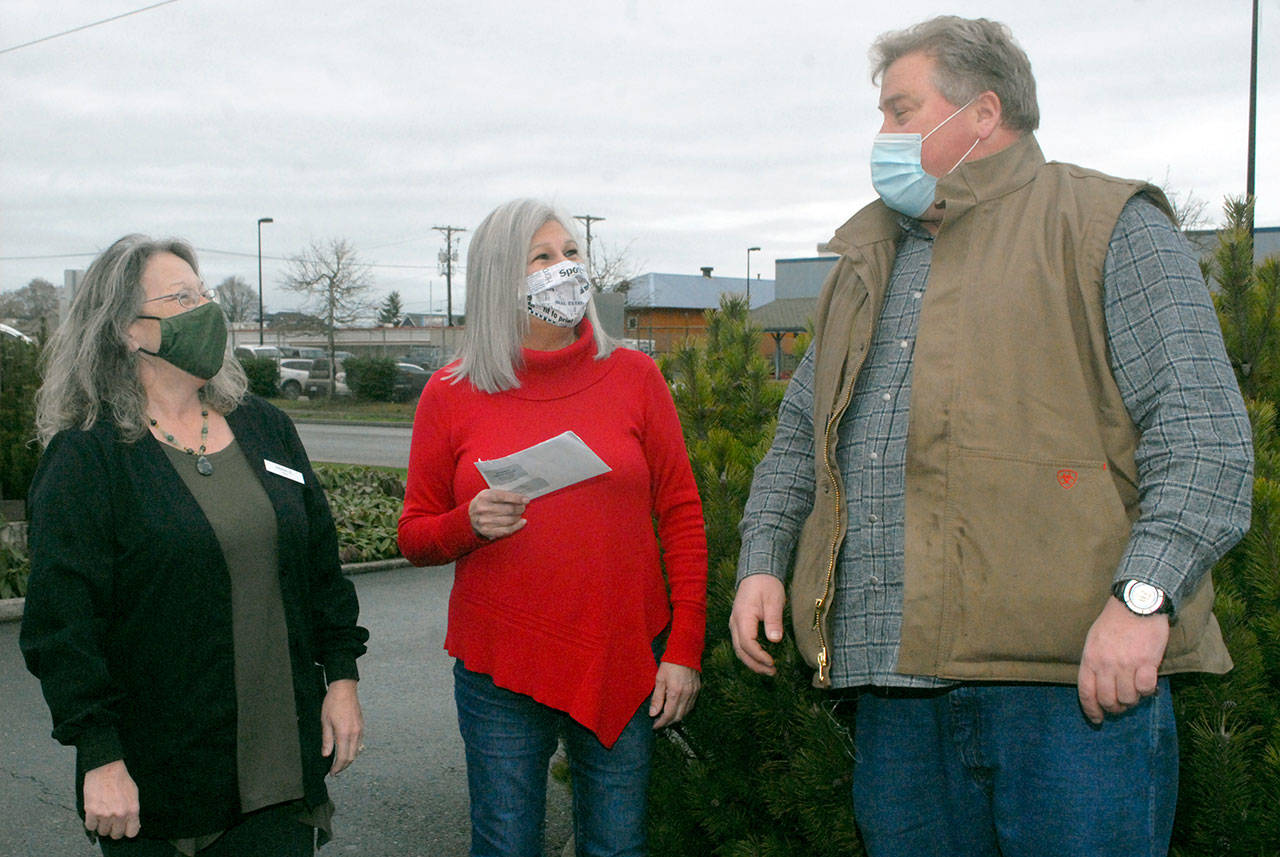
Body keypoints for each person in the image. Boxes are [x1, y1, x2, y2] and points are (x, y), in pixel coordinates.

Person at [730, 16, 1252, 857]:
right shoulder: (866, 261)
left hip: (1072, 693)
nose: (882, 135)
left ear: (980, 112)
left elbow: (1205, 437)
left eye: (902, 110)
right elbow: (800, 441)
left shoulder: (1108, 225)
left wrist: (1142, 599)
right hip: (895, 696)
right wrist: (763, 558)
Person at [20, 235, 369, 857]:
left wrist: (341, 679)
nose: (208, 309)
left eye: (204, 292)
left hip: (281, 770)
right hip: (158, 783)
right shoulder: (87, 456)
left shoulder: (265, 426)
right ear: (129, 329)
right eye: (183, 297)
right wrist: (99, 756)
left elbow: (321, 568)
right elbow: (62, 625)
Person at [398, 198, 707, 857]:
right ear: (498, 278)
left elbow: (681, 514)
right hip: (499, 668)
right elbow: (415, 534)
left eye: (570, 252)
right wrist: (468, 524)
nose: (565, 268)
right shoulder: (450, 393)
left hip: (622, 652)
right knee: (506, 844)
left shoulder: (634, 376)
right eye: (543, 256)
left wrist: (682, 648)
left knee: (617, 845)